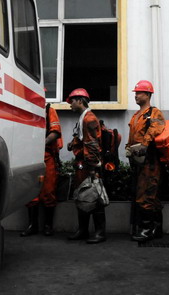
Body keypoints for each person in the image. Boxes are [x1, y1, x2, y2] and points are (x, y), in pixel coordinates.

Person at [125, 80, 166, 242]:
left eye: (139, 92)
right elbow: (131, 136)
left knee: (147, 193)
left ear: (148, 95)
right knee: (148, 193)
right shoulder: (136, 116)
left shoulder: (154, 113)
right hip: (139, 161)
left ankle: (147, 230)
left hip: (150, 161)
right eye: (135, 92)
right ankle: (156, 229)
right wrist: (129, 149)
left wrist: (144, 144)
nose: (136, 95)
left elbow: (155, 129)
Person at [65, 88, 106, 244]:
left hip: (89, 166)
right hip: (83, 164)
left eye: (72, 101)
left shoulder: (89, 119)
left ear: (80, 101)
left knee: (94, 197)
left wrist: (93, 168)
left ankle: (100, 233)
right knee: (82, 197)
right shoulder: (83, 118)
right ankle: (83, 231)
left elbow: (92, 145)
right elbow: (83, 140)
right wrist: (73, 144)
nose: (70, 105)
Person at [21, 102, 63, 237]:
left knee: (49, 190)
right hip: (29, 155)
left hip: (47, 155)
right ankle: (32, 225)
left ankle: (48, 226)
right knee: (30, 191)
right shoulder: (25, 109)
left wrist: (41, 143)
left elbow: (56, 132)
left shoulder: (49, 110)